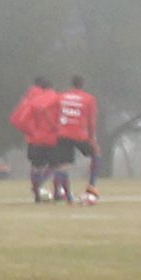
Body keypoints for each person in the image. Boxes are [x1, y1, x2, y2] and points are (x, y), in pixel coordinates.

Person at [10, 78, 61, 201]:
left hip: (34, 140)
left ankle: (37, 194)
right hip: (53, 139)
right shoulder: (58, 98)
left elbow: (18, 120)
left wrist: (32, 132)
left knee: (36, 166)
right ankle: (56, 194)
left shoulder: (29, 100)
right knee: (57, 166)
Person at [52, 75, 99, 203]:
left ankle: (67, 196)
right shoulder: (89, 99)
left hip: (63, 133)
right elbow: (91, 121)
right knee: (95, 155)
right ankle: (91, 186)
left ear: (71, 84)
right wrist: (91, 138)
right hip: (79, 134)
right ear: (83, 85)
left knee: (62, 166)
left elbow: (54, 115)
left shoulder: (61, 97)